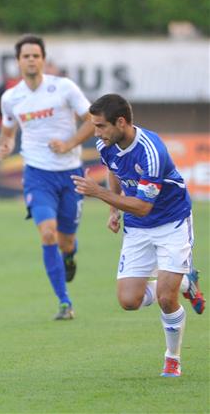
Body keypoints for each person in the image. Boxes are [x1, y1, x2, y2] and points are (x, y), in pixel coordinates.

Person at [72, 94, 205, 377]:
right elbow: (114, 171)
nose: (96, 132)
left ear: (121, 122)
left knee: (166, 298)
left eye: (100, 126)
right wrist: (112, 209)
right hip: (137, 227)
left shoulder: (150, 151)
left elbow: (144, 207)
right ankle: (183, 283)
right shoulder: (106, 143)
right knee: (128, 302)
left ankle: (172, 358)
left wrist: (98, 193)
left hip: (172, 222)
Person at [0, 35, 95, 320]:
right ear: (18, 61)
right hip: (37, 175)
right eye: (25, 56)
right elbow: (7, 128)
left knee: (66, 240)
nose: (31, 60)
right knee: (47, 232)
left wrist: (69, 144)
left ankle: (69, 255)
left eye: (35, 55)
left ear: (43, 59)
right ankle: (64, 301)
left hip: (70, 174)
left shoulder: (63, 87)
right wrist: (5, 143)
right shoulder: (11, 97)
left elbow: (91, 120)